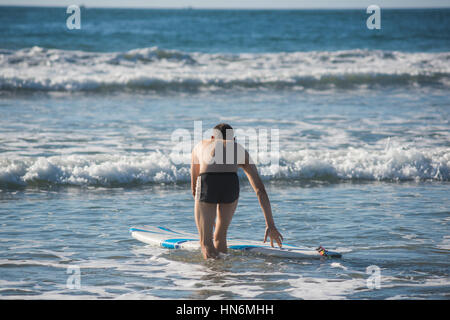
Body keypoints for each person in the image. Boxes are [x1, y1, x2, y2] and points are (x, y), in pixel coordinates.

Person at [190, 123, 283, 259]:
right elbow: (260, 190)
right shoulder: (239, 149)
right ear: (233, 139)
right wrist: (270, 225)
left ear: (212, 137)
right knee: (220, 238)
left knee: (206, 244)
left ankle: (212, 278)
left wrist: (206, 216)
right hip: (231, 183)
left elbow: (194, 188)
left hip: (208, 181)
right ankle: (227, 276)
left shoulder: (200, 145)